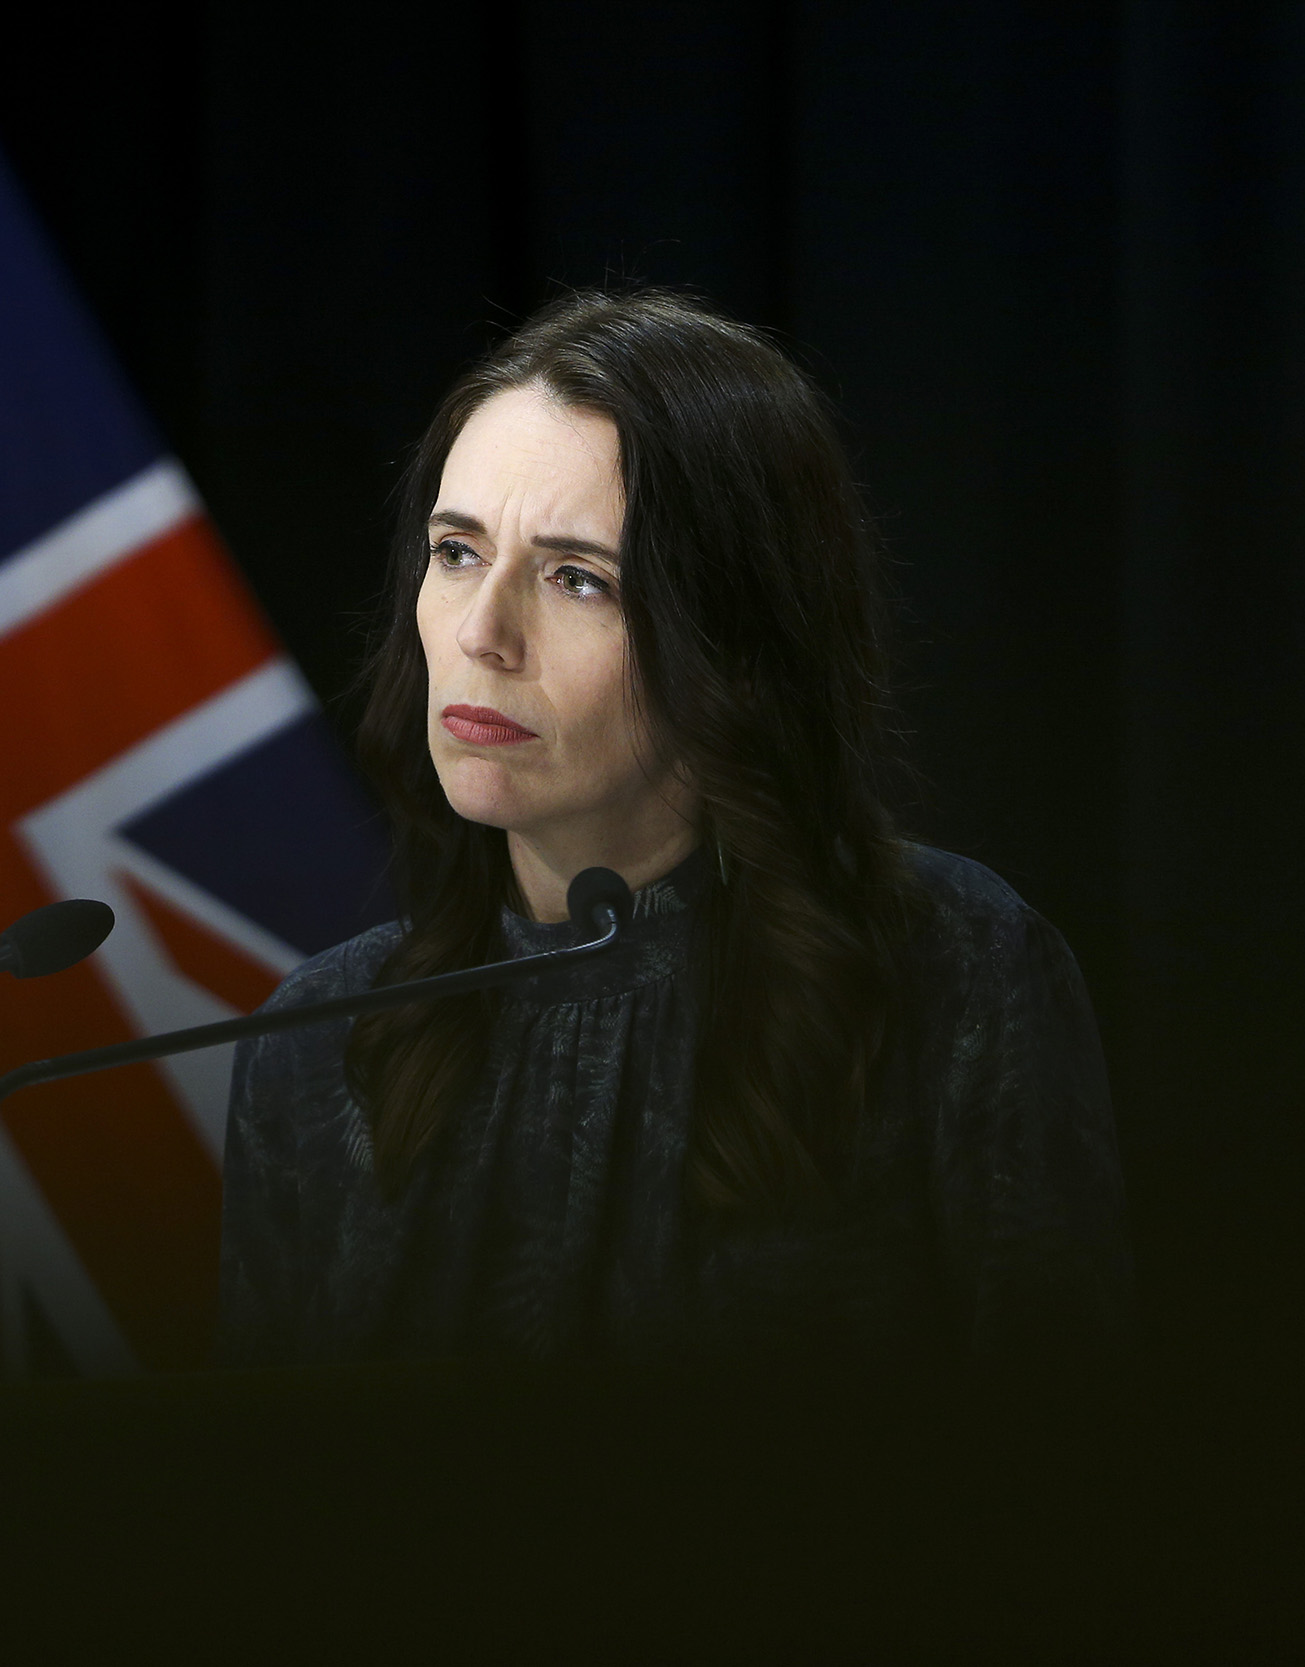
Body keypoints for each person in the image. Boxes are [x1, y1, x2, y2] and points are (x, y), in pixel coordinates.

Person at [216, 290, 1132, 1374]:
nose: (480, 633)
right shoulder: (318, 1035)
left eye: (576, 578)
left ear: (735, 635)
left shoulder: (954, 967)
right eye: (456, 551)